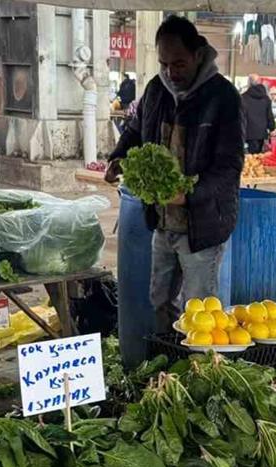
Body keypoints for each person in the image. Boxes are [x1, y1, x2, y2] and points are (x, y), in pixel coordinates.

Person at [105, 16, 244, 332]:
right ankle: (168, 359)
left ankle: (201, 361)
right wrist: (118, 158)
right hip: (163, 221)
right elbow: (136, 131)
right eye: (164, 64)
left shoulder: (222, 97)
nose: (170, 72)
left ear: (198, 54)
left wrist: (189, 195)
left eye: (179, 64)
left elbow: (229, 166)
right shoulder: (156, 90)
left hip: (203, 225)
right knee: (160, 301)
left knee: (200, 311)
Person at [241, 75, 274, 154]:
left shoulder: (243, 98)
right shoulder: (266, 98)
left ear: (249, 83)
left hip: (248, 132)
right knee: (259, 156)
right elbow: (269, 115)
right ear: (259, 82)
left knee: (250, 158)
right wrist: (272, 128)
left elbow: (240, 116)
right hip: (262, 133)